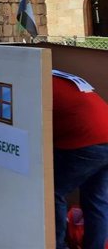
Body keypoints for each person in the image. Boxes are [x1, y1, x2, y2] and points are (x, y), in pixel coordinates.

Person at [52, 73, 108, 249]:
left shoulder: (34, 83)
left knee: (53, 191)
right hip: (103, 134)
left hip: (85, 140)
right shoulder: (57, 77)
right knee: (96, 201)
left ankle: (56, 245)